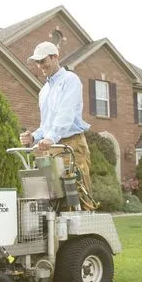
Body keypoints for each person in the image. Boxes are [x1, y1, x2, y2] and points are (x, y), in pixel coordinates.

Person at [20, 41, 93, 200]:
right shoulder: (44, 91)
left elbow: (65, 114)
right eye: (37, 62)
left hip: (71, 145)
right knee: (53, 197)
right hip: (51, 146)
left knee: (77, 195)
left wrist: (50, 137)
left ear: (55, 57)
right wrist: (33, 136)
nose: (40, 66)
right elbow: (46, 125)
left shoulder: (70, 80)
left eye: (43, 61)